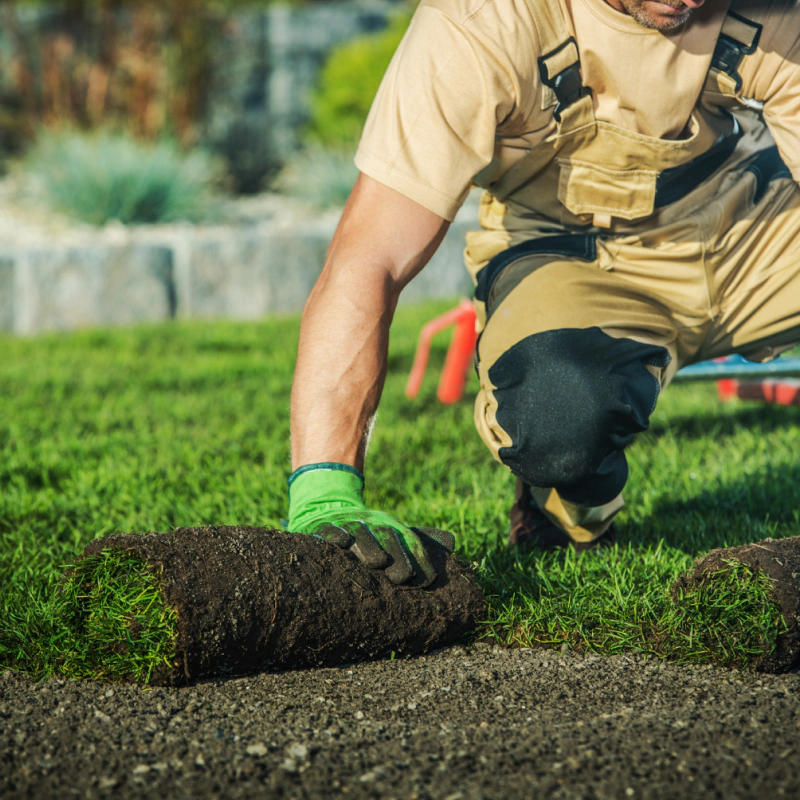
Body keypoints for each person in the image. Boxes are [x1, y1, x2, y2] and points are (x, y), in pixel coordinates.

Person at [287, 0, 800, 586]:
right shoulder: (478, 23)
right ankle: (565, 505)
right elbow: (368, 260)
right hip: (573, 257)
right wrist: (324, 487)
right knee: (558, 422)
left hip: (749, 225)